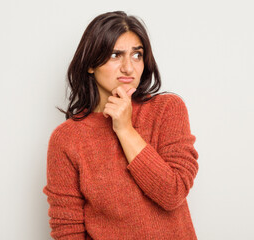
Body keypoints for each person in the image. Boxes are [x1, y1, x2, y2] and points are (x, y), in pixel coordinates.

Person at [43, 11, 199, 240]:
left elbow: (172, 193)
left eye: (137, 55)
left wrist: (125, 129)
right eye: (116, 55)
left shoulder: (167, 109)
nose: (129, 67)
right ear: (90, 64)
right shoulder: (67, 138)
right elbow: (67, 228)